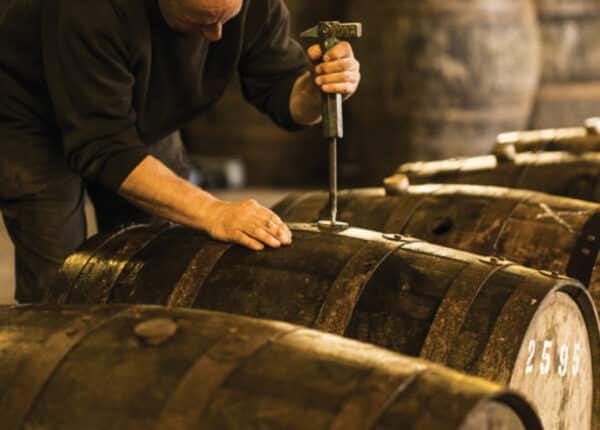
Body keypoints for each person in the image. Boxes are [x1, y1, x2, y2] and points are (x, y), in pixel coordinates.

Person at [0, 0, 361, 303]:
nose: (217, 35)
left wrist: (316, 90)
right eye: (201, 22)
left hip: (140, 110)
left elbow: (281, 91)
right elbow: (102, 147)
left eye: (226, 19)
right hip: (31, 113)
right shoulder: (91, 10)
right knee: (61, 282)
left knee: (158, 262)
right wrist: (213, 210)